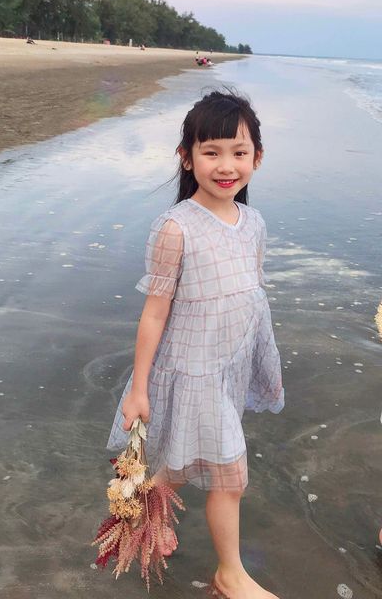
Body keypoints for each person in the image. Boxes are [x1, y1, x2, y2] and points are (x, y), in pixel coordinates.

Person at [106, 89, 284, 599]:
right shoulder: (176, 227)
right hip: (190, 368)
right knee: (230, 474)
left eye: (239, 152)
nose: (226, 165)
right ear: (187, 157)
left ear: (257, 157)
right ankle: (231, 575)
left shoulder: (254, 223)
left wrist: (255, 360)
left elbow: (250, 296)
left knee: (184, 460)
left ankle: (144, 515)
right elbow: (155, 311)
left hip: (229, 363)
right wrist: (139, 389)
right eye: (211, 152)